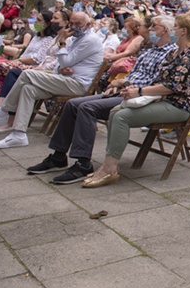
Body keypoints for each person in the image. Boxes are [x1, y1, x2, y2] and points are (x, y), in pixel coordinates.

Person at [25, 16, 177, 184]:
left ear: (165, 30)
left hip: (138, 95)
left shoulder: (170, 53)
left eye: (154, 27)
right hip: (123, 90)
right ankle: (58, 156)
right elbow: (135, 75)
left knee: (87, 108)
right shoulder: (151, 50)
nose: (149, 29)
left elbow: (157, 83)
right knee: (72, 104)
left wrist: (124, 83)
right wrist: (117, 84)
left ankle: (83, 164)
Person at [81, 13, 190, 188]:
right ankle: (109, 164)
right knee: (115, 112)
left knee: (122, 116)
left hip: (178, 105)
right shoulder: (175, 52)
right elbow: (159, 81)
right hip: (161, 99)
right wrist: (132, 88)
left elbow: (171, 87)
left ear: (183, 31)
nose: (173, 30)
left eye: (176, 27)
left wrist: (139, 91)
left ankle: (110, 168)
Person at [0, 12, 104, 149]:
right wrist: (60, 68)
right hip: (64, 78)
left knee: (27, 74)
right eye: (72, 23)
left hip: (78, 84)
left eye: (78, 24)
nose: (74, 27)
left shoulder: (90, 40)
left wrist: (62, 43)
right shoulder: (75, 38)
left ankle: (2, 111)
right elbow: (59, 64)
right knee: (28, 89)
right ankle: (19, 135)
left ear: (88, 25)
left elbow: (65, 60)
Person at [0, 12, 58, 100]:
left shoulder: (49, 39)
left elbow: (37, 59)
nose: (35, 22)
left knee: (0, 67)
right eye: (36, 19)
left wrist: (20, 61)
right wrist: (18, 60)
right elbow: (26, 52)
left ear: (47, 24)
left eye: (39, 20)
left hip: (32, 67)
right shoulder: (37, 37)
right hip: (22, 63)